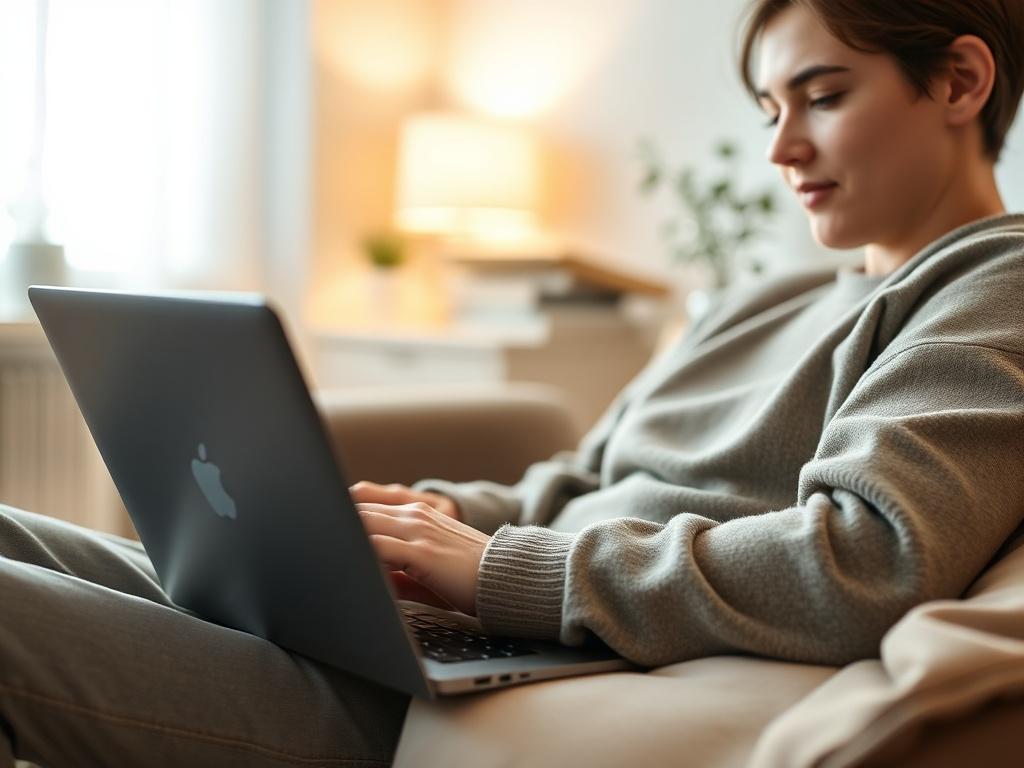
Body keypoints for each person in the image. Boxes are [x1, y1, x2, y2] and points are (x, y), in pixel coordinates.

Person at [2, 0, 1023, 765]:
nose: (780, 148)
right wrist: (423, 523)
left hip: (490, 677)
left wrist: (500, 572)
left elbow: (869, 556)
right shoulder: (761, 300)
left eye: (824, 95)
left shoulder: (994, 283)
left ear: (959, 82)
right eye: (768, 108)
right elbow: (574, 483)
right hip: (453, 630)